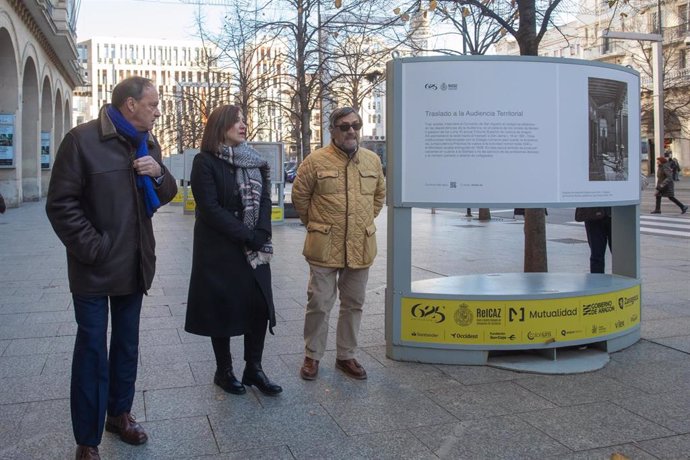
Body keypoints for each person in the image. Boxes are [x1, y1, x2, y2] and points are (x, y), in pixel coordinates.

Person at [45, 76, 177, 460]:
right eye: (152, 104)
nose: (157, 111)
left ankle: (119, 414)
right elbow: (61, 204)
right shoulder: (81, 140)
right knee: (91, 348)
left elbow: (165, 192)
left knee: (126, 344)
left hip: (135, 264)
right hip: (94, 266)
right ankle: (87, 439)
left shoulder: (147, 143)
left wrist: (156, 171)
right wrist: (95, 247)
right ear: (130, 105)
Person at [184, 105, 282, 397]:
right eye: (236, 121)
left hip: (253, 249)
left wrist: (261, 233)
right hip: (219, 249)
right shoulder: (205, 162)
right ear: (220, 126)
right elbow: (210, 209)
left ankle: (254, 368)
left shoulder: (255, 162)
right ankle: (223, 371)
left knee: (260, 307)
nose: (243, 125)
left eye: (244, 120)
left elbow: (265, 199)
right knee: (223, 309)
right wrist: (247, 235)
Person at [292, 107, 386, 381]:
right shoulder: (315, 161)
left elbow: (379, 197)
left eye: (356, 125)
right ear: (333, 130)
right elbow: (300, 198)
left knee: (354, 303)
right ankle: (312, 355)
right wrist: (317, 225)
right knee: (320, 302)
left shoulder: (371, 161)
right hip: (325, 244)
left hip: (360, 244)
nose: (351, 131)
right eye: (344, 126)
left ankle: (346, 355)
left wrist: (362, 223)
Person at [574, 207, 611, 274]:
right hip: (593, 214)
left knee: (620, 254)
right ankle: (597, 282)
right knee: (596, 255)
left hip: (616, 212)